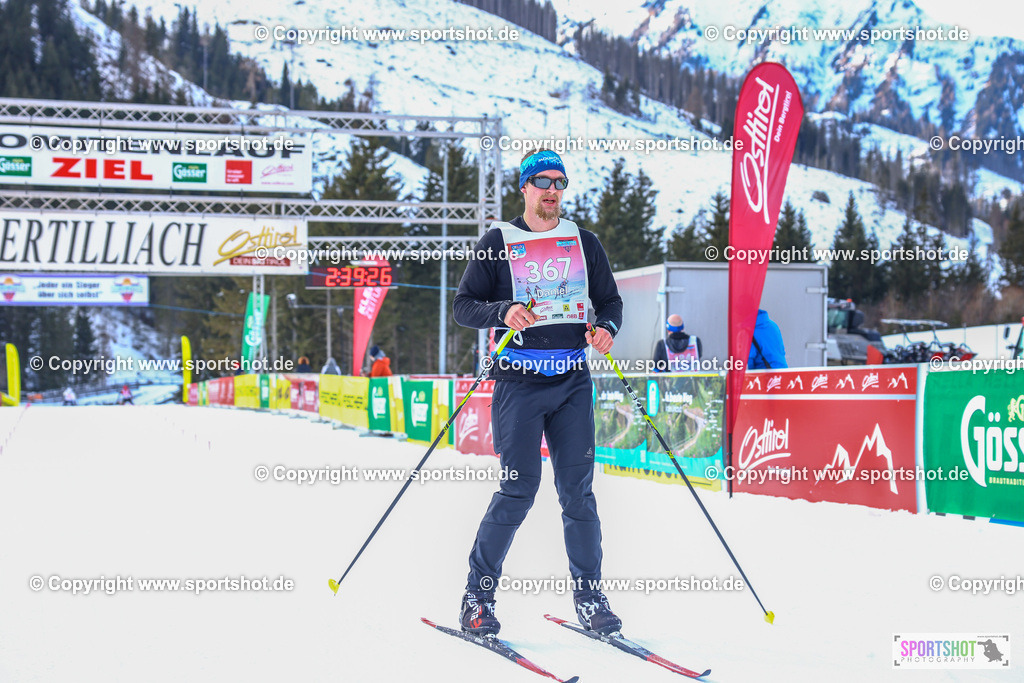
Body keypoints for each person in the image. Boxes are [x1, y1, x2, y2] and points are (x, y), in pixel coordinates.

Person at [452, 149, 624, 637]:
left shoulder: (583, 242)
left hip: (571, 381)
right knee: (518, 488)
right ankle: (477, 597)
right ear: (524, 188)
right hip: (518, 383)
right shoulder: (498, 242)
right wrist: (502, 311)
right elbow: (464, 306)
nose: (552, 189)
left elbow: (609, 301)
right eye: (542, 181)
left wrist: (606, 327)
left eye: (560, 182)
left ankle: (590, 598)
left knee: (578, 493)